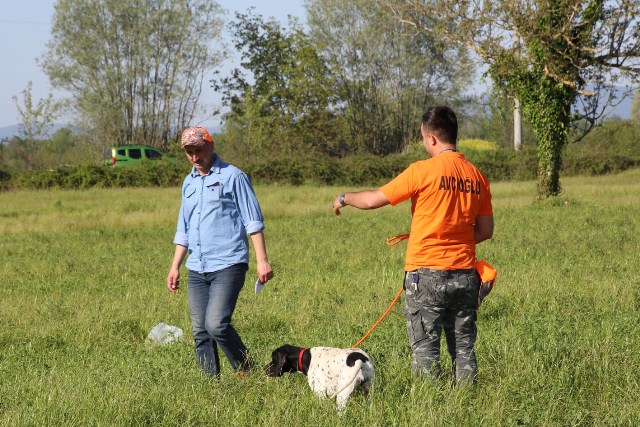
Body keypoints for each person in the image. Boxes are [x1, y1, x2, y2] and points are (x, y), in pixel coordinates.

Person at [332, 105, 493, 384]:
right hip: (465, 275)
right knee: (464, 349)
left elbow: (372, 200)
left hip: (426, 275)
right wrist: (456, 238)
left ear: (431, 138)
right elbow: (486, 230)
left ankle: (431, 409)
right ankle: (468, 403)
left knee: (426, 351)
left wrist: (344, 197)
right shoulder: (477, 176)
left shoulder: (422, 171)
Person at [167, 125, 274, 377]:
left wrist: (262, 261)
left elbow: (253, 221)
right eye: (189, 152)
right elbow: (184, 227)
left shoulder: (233, 176)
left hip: (228, 263)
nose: (195, 156)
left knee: (215, 324)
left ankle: (246, 367)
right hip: (197, 266)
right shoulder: (189, 183)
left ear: (211, 146)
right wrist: (175, 266)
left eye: (199, 149)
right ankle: (209, 385)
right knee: (200, 331)